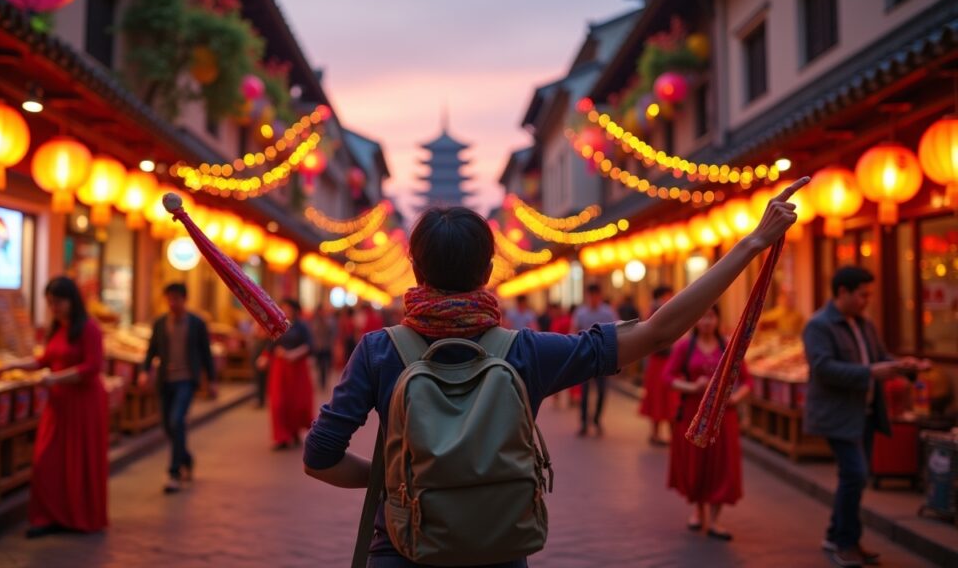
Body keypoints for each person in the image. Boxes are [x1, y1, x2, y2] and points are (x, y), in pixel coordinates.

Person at [303, 176, 805, 567]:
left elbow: (319, 458)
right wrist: (752, 242)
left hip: (401, 551)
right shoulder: (525, 352)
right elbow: (656, 333)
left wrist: (400, 482)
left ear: (414, 268)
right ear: (487, 270)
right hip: (498, 549)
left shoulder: (378, 352)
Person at [803, 267, 931, 567]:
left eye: (869, 295)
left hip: (868, 412)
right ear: (843, 292)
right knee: (856, 475)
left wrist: (903, 365)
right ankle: (846, 543)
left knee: (854, 478)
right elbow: (823, 369)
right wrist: (871, 372)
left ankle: (836, 535)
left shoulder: (864, 323)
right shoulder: (819, 325)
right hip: (838, 415)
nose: (867, 301)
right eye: (863, 295)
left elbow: (879, 358)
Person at [0, 276, 108, 537]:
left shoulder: (89, 328)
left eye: (58, 302)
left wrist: (55, 378)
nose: (54, 307)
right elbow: (45, 360)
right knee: (47, 459)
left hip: (83, 405)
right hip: (58, 404)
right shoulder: (58, 328)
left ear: (72, 301)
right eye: (50, 303)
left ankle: (77, 516)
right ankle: (49, 515)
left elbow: (92, 367)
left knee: (77, 461)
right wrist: (12, 365)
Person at [664, 306, 750, 541]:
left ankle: (715, 520)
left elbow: (747, 381)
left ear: (717, 320)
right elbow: (668, 377)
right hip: (694, 414)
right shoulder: (684, 347)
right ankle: (698, 510)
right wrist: (692, 386)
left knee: (721, 465)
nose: (706, 321)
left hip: (724, 417)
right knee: (696, 464)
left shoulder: (729, 347)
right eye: (701, 316)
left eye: (711, 316)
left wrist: (735, 398)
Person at [140, 282, 216, 494]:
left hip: (186, 380)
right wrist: (145, 371)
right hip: (165, 380)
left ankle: (174, 472)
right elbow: (151, 349)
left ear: (184, 299)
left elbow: (205, 353)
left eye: (176, 299)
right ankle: (187, 459)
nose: (172, 303)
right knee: (167, 425)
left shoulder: (196, 324)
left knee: (177, 421)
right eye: (169, 299)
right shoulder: (160, 323)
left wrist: (211, 380)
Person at [258, 299, 314, 450]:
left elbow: (309, 345)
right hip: (279, 368)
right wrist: (265, 357)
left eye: (288, 308)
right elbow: (271, 343)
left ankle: (294, 431)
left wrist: (293, 354)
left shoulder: (302, 326)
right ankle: (281, 437)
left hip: (297, 369)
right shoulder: (279, 324)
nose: (286, 310)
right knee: (278, 402)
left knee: (296, 403)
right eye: (283, 308)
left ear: (295, 309)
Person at [571, 284, 617, 436]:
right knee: (584, 392)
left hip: (604, 356)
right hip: (586, 355)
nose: (593, 298)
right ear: (587, 296)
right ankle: (584, 422)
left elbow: (617, 330)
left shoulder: (608, 312)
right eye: (591, 295)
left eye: (596, 295)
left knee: (602, 391)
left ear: (600, 295)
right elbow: (574, 331)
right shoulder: (581, 313)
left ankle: (596, 418)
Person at [639, 286, 678, 445]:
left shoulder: (655, 311)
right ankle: (659, 433)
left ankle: (664, 433)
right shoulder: (657, 311)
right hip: (659, 360)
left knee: (665, 398)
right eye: (668, 295)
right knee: (662, 397)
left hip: (662, 360)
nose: (670, 298)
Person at [311, 304, 336, 390]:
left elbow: (332, 332)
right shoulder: (315, 321)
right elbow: (313, 333)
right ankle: (321, 381)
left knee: (325, 365)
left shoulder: (329, 321)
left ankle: (324, 381)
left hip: (326, 346)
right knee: (319, 365)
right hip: (318, 347)